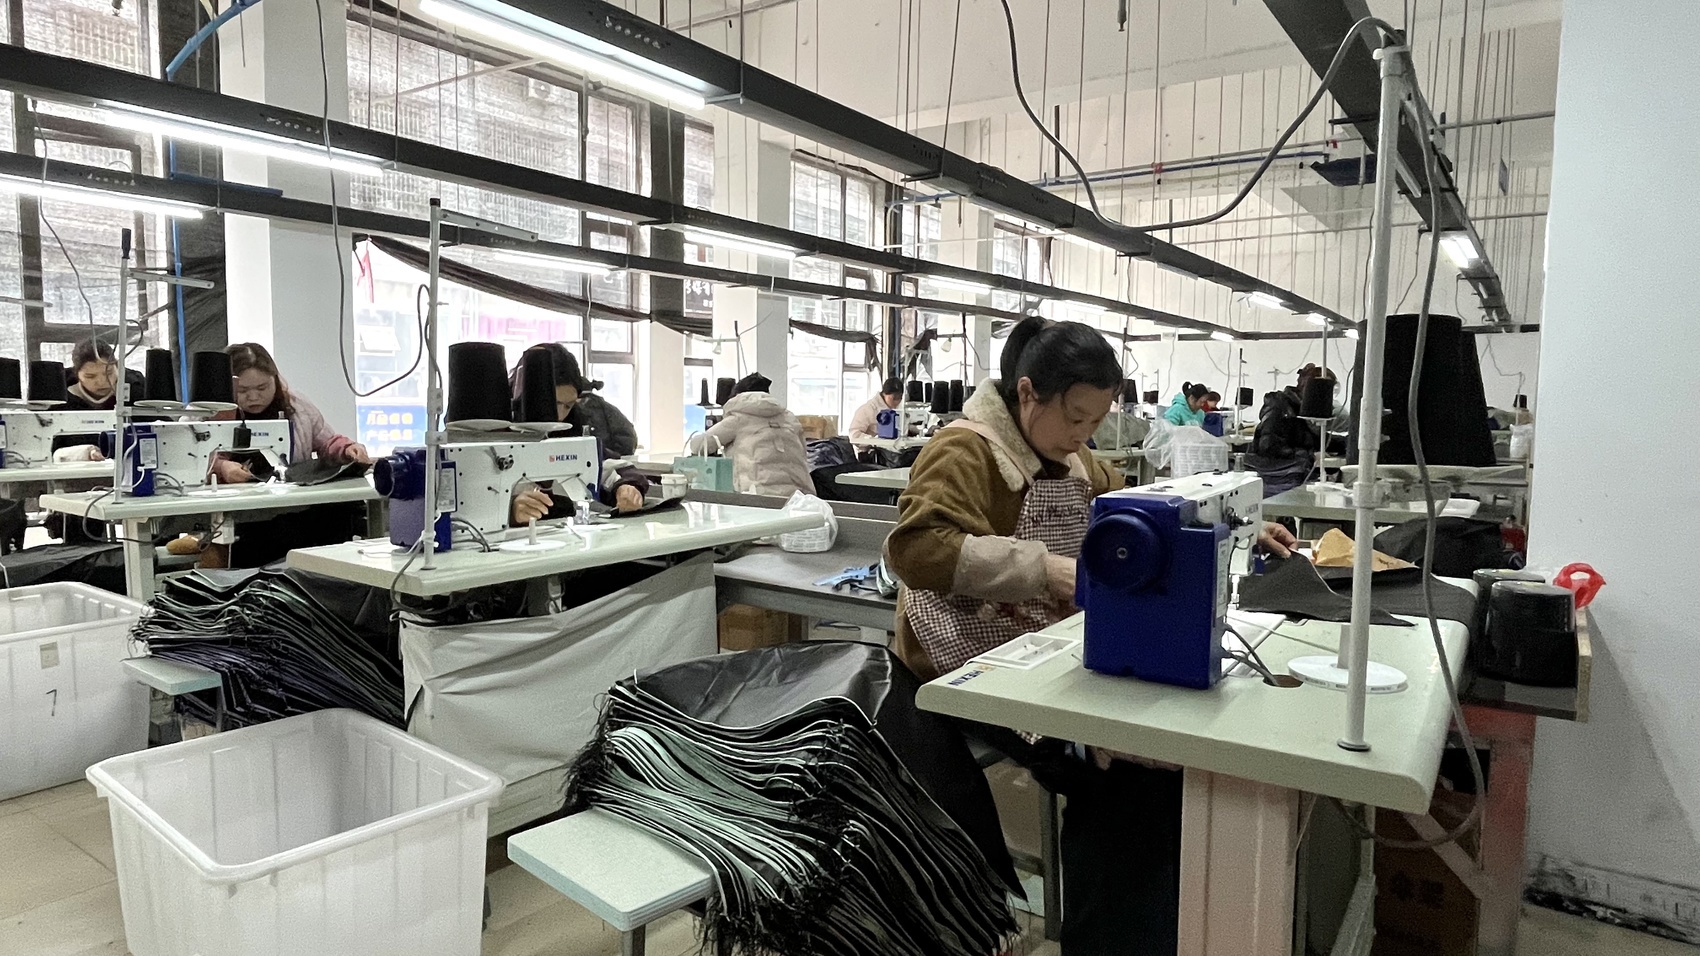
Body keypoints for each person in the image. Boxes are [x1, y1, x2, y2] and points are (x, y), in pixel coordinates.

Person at [885, 315, 1294, 955]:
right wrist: (1044, 569)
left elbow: (1147, 507)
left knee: (1162, 748)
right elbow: (915, 549)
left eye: (1095, 422)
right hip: (967, 655)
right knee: (1121, 774)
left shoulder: (1072, 457)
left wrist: (1238, 527)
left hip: (1045, 644)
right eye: (1075, 417)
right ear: (1028, 394)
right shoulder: (964, 451)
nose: (1083, 435)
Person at [201, 343, 371, 567]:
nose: (253, 396)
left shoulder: (297, 408)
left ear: (275, 379)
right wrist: (221, 468)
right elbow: (194, 457)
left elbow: (326, 441)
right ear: (227, 385)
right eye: (242, 391)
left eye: (262, 387)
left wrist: (347, 449)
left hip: (295, 513)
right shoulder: (207, 412)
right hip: (240, 520)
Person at [684, 373, 814, 498]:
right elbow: (803, 452)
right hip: (799, 496)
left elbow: (698, 445)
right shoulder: (790, 418)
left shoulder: (739, 418)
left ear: (736, 396)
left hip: (758, 496)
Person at [511, 343, 638, 458]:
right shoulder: (504, 426)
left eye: (568, 406)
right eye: (554, 404)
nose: (560, 416)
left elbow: (604, 459)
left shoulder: (576, 424)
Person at [1246, 363, 1343, 497]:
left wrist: (1349, 443)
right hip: (1276, 479)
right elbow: (1268, 446)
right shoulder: (1280, 409)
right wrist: (1310, 455)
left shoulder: (1302, 409)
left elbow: (1313, 438)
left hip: (1291, 474)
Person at [848, 376, 904, 449]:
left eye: (900, 398)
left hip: (892, 450)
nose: (897, 401)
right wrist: (874, 441)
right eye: (894, 398)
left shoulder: (899, 410)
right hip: (871, 452)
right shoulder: (868, 409)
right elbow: (854, 435)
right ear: (884, 393)